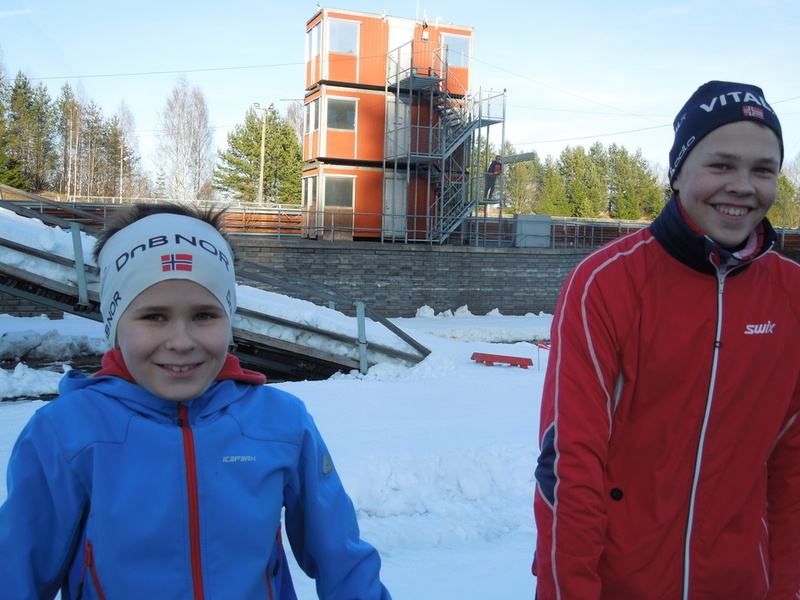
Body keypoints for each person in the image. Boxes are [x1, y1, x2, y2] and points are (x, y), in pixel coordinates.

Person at [0, 203, 391, 600]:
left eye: (204, 316)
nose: (182, 341)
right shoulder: (66, 432)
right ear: (115, 325)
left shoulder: (280, 423)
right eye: (154, 317)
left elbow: (342, 559)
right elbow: (17, 573)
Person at [533, 80, 800, 599]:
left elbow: (791, 472)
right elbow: (571, 465)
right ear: (677, 172)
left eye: (763, 170)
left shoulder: (791, 297)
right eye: (721, 164)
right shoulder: (605, 284)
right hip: (618, 583)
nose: (743, 186)